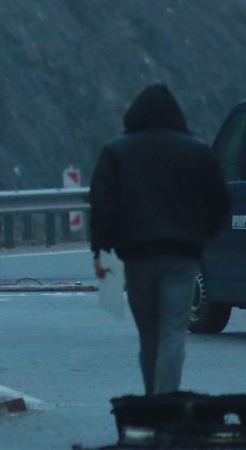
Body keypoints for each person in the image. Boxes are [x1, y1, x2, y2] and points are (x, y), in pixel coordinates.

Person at [88, 84, 231, 396]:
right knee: (172, 334)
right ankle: (164, 405)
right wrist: (209, 230)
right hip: (181, 255)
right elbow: (220, 198)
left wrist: (101, 250)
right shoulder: (196, 151)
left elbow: (101, 205)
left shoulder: (117, 151)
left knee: (149, 335)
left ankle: (151, 402)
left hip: (136, 255)